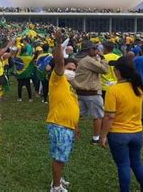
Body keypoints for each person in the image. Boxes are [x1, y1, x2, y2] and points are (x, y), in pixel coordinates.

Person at [100, 56, 143, 192]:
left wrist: (103, 135)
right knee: (137, 162)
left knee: (123, 165)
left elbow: (110, 116)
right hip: (137, 133)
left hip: (118, 134)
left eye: (115, 68)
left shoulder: (113, 90)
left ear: (119, 71)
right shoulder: (139, 88)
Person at [46, 31, 80, 192]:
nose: (72, 71)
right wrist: (59, 42)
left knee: (62, 156)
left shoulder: (69, 85)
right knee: (59, 158)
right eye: (70, 68)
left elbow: (72, 105)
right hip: (59, 124)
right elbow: (59, 61)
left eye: (75, 69)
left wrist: (76, 126)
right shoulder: (57, 79)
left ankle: (58, 179)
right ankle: (56, 186)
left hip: (68, 126)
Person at [71, 41, 108, 144]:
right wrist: (103, 58)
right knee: (98, 116)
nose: (97, 51)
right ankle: (96, 138)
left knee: (77, 114)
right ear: (89, 50)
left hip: (81, 92)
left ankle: (72, 133)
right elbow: (104, 69)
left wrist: (97, 57)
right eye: (94, 49)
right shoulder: (88, 61)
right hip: (92, 93)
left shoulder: (84, 60)